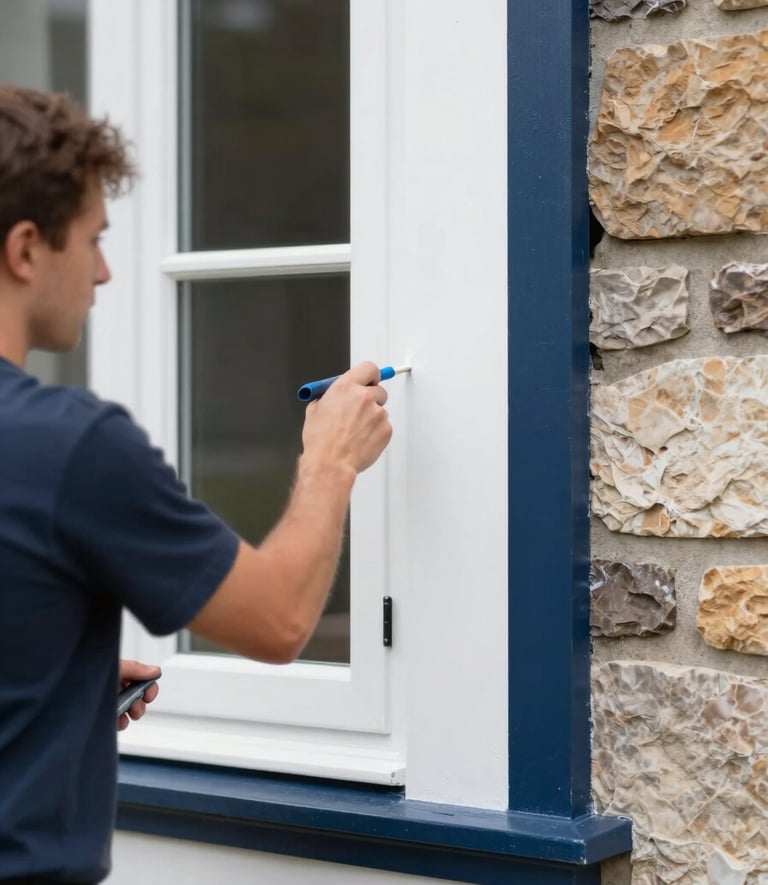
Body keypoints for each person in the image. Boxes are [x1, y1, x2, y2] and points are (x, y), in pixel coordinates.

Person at [0, 85, 393, 885]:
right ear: (27, 249)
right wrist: (330, 461)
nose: (107, 272)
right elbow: (279, 619)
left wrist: (45, 669)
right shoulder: (67, 446)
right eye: (94, 240)